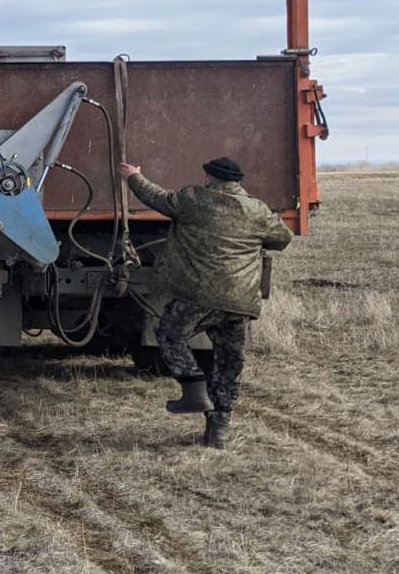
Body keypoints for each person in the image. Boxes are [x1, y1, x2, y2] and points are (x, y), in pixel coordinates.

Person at [117, 157, 294, 449]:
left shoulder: (193, 200)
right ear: (236, 182)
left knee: (170, 334)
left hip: (199, 295)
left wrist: (133, 176)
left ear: (209, 178)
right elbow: (282, 239)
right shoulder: (257, 209)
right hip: (239, 301)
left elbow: (157, 198)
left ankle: (193, 387)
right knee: (228, 364)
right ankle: (219, 429)